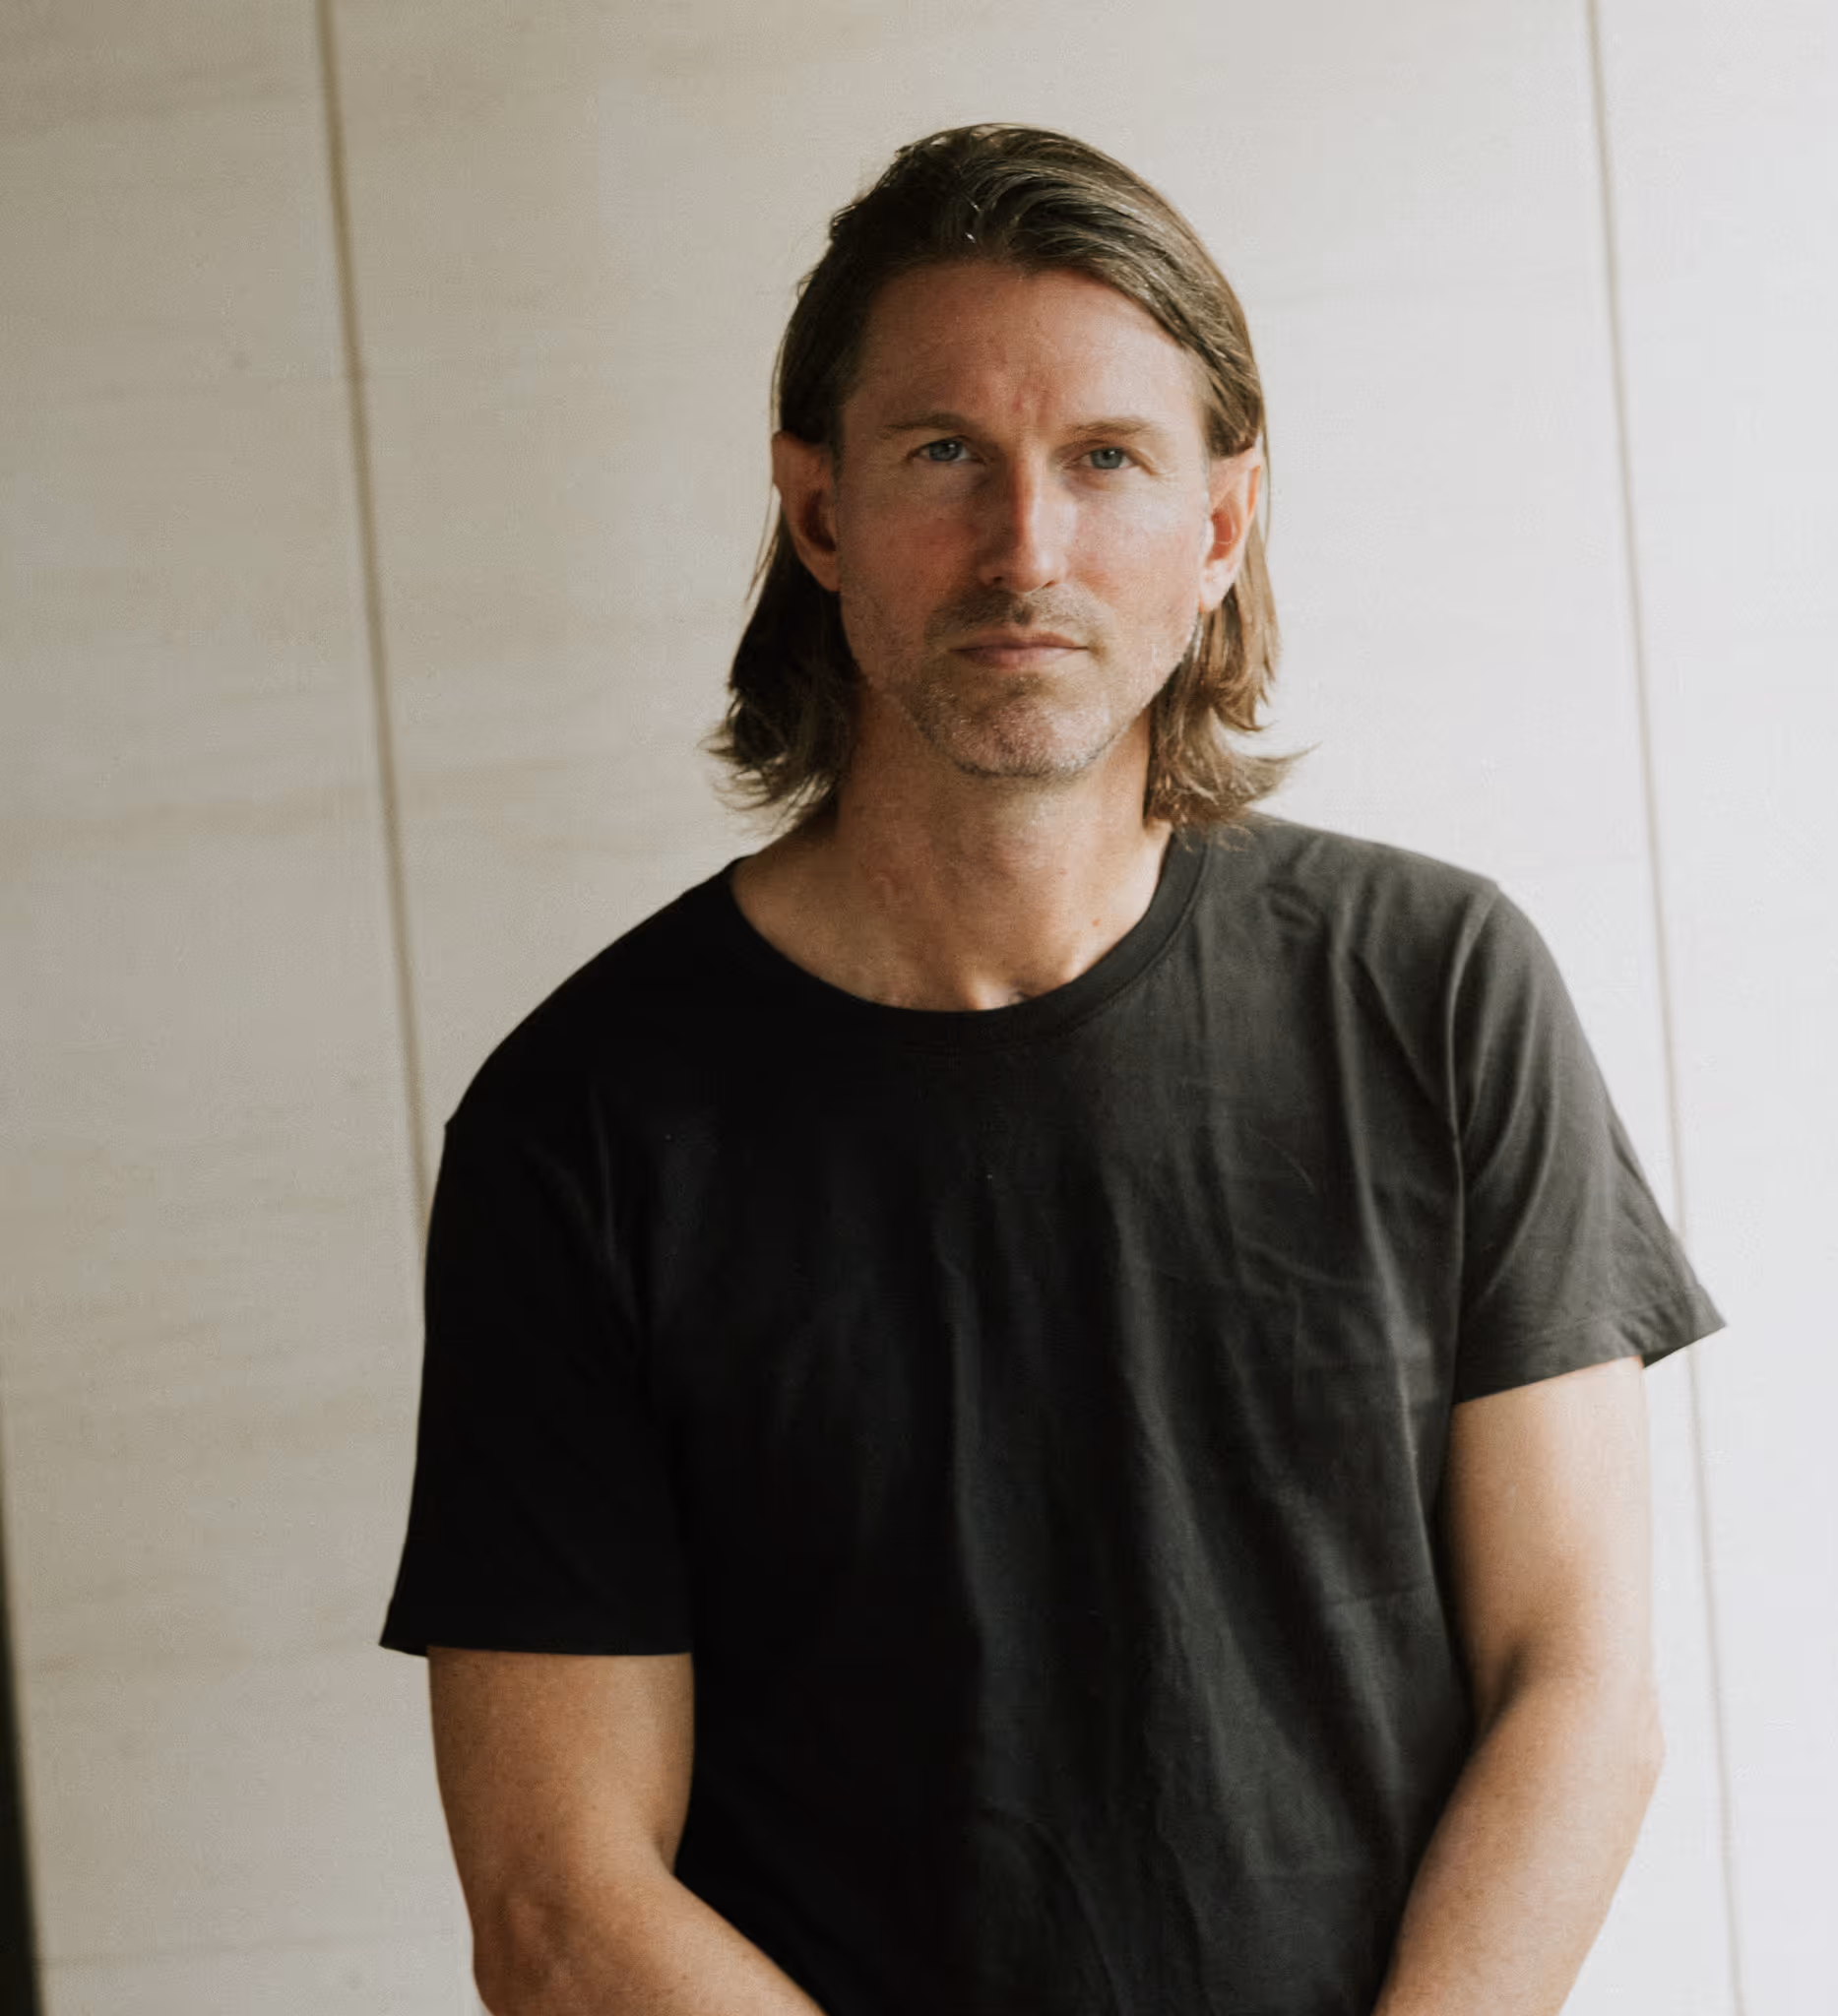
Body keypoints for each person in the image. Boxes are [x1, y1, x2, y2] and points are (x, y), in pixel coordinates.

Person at [382, 123, 1724, 2016]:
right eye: (945, 455)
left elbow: (1576, 1688)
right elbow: (557, 1900)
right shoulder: (580, 1131)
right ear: (820, 510)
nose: (1028, 547)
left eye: (1107, 460)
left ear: (1220, 522)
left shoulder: (1437, 991)